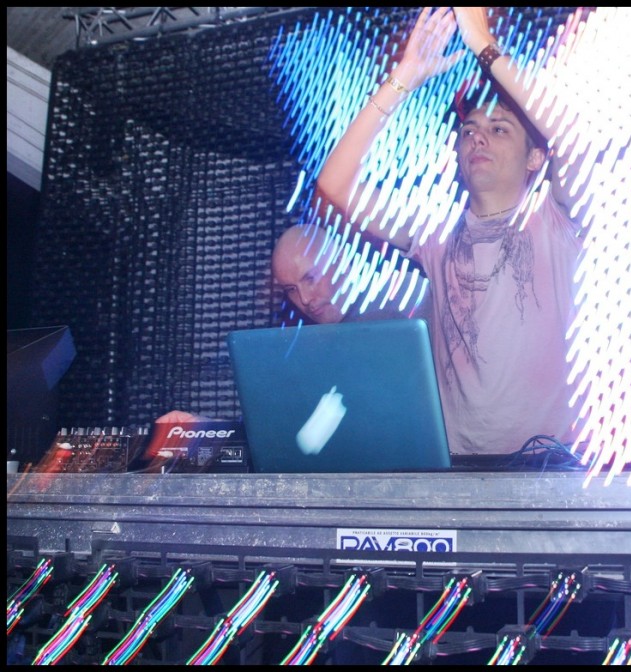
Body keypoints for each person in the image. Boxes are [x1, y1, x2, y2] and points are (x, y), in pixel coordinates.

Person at [315, 7, 588, 455]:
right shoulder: (435, 230)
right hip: (456, 468)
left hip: (548, 462)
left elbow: (571, 134)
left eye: (499, 129)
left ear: (535, 158)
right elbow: (334, 184)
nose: (478, 138)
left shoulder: (558, 217)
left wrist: (483, 45)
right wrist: (405, 75)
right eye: (469, 130)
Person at [157, 223, 426, 424]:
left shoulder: (395, 311)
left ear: (341, 260)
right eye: (291, 290)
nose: (305, 299)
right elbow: (281, 431)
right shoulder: (309, 349)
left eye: (310, 278)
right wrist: (207, 429)